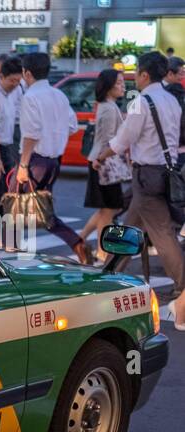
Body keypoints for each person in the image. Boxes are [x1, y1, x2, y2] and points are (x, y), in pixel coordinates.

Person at [94, 51, 185, 326]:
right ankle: (109, 276)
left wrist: (100, 156)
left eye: (136, 74)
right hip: (165, 173)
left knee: (163, 235)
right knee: (131, 227)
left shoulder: (140, 103)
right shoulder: (171, 100)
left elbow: (124, 139)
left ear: (144, 75)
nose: (134, 79)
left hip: (146, 176)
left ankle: (182, 287)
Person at [17, 52, 89, 263]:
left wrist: (23, 164)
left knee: (13, 204)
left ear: (27, 73)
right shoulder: (59, 95)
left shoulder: (30, 97)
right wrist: (55, 135)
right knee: (40, 207)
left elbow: (31, 134)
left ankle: (11, 253)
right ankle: (75, 242)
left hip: (35, 160)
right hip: (54, 161)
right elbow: (72, 126)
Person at [79, 69, 128, 261]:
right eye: (118, 83)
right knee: (109, 209)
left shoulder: (109, 105)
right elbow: (108, 139)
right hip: (103, 163)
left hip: (102, 162)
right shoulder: (108, 107)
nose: (122, 86)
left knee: (108, 208)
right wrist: (101, 160)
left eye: (123, 82)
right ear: (108, 86)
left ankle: (81, 239)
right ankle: (102, 251)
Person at [0, 56, 24, 197]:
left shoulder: (15, 92)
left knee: (7, 191)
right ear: (1, 76)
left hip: (9, 147)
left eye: (18, 81)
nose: (15, 84)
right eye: (12, 80)